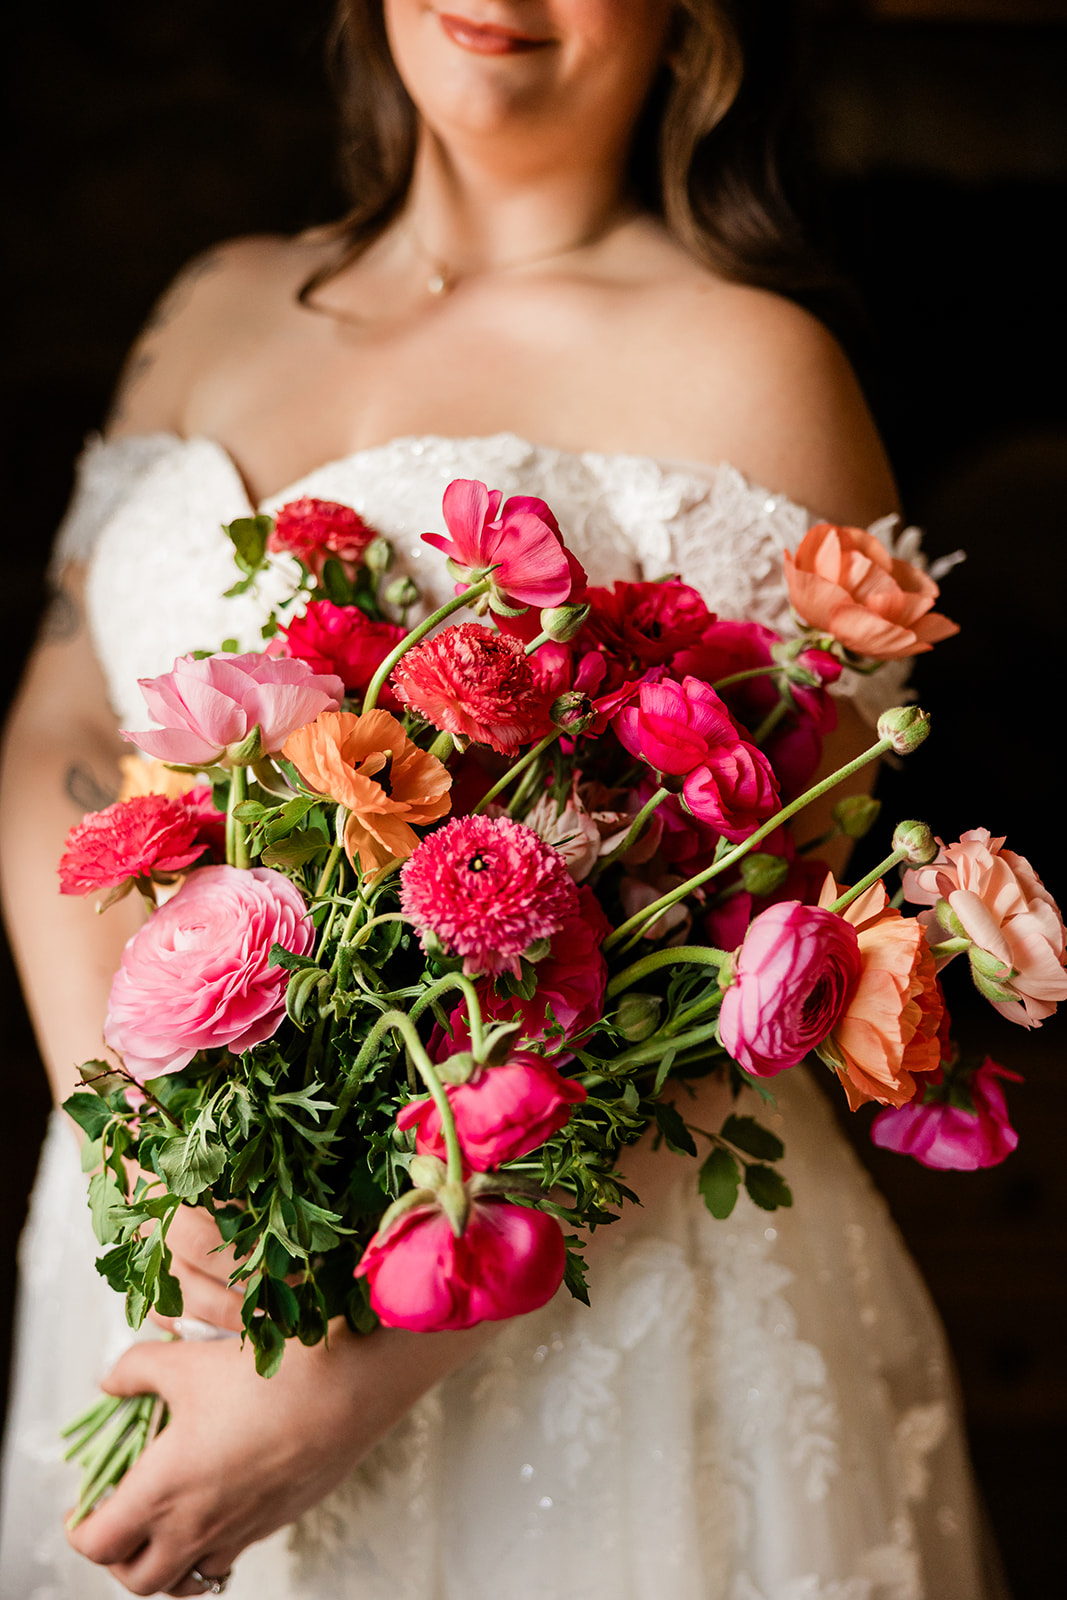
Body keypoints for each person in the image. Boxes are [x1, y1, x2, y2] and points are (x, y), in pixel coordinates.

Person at [0, 3, 1005, 1596]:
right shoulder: (210, 302)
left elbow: (764, 967)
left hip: (563, 1305)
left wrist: (343, 1377)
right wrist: (141, 1165)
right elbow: (60, 722)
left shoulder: (752, 365)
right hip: (157, 1241)